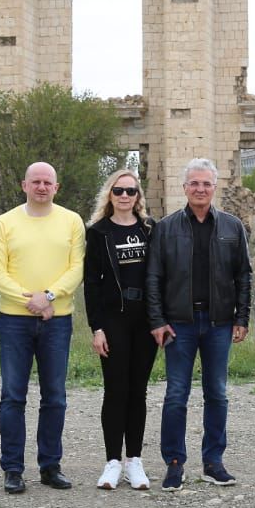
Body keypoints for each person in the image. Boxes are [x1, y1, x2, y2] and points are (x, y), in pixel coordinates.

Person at [145, 158, 252, 492]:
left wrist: (242, 317)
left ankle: (213, 462)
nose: (200, 189)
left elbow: (243, 276)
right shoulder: (166, 228)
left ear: (215, 187)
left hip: (219, 323)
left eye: (206, 184)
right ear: (184, 188)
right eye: (194, 183)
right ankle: (174, 463)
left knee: (217, 393)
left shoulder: (232, 226)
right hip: (179, 324)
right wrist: (157, 320)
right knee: (176, 394)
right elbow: (154, 277)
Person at [0, 161, 86, 494]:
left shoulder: (72, 221)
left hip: (57, 320)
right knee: (12, 396)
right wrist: (31, 300)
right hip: (15, 321)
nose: (42, 187)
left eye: (48, 182)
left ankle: (50, 466)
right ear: (24, 185)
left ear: (56, 188)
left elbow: (77, 268)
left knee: (54, 396)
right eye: (36, 182)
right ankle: (13, 469)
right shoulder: (5, 223)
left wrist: (50, 296)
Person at [84, 169, 156, 491]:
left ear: (138, 196)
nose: (124, 196)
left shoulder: (150, 229)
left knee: (138, 391)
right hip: (114, 319)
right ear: (109, 195)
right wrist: (97, 328)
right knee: (115, 390)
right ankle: (112, 462)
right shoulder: (98, 232)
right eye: (118, 191)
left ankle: (134, 462)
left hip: (146, 321)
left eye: (130, 191)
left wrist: (161, 320)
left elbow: (161, 275)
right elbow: (91, 284)